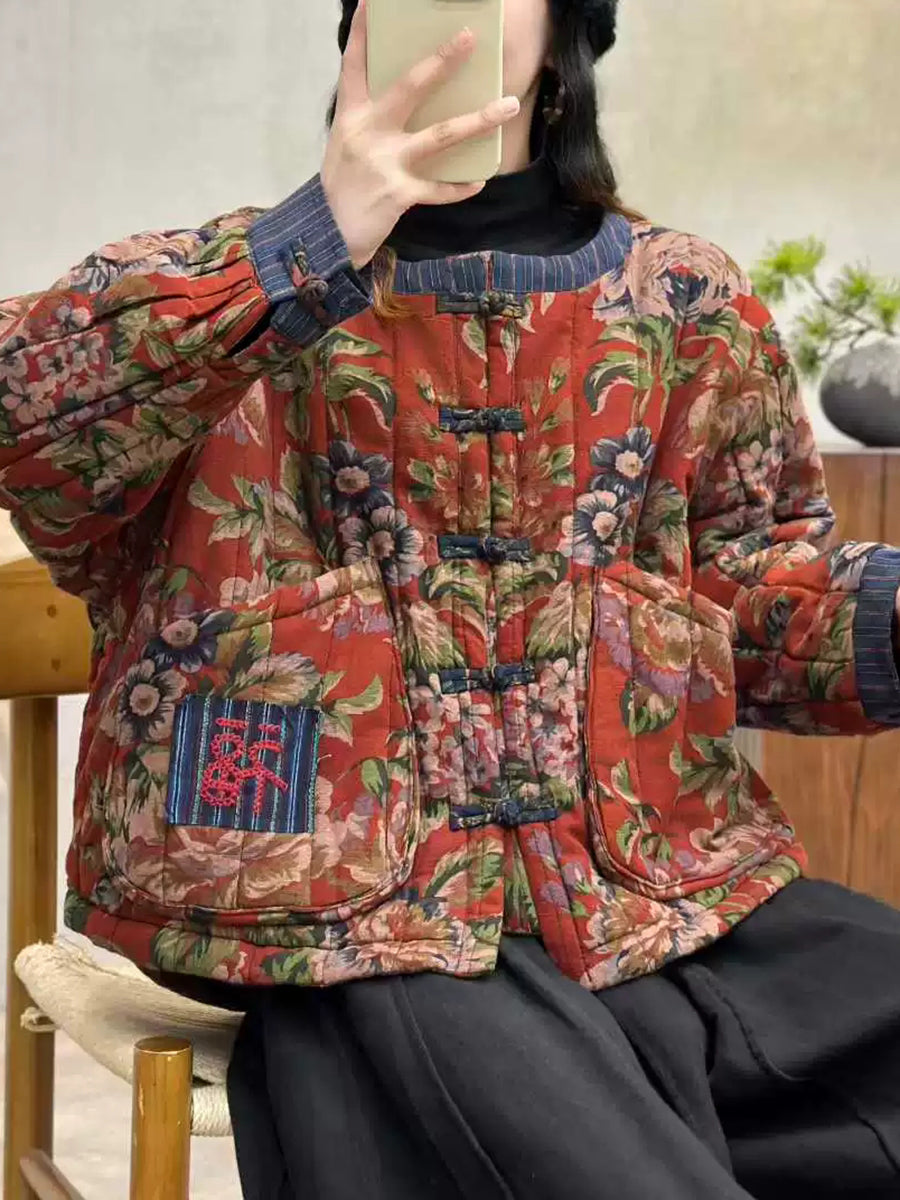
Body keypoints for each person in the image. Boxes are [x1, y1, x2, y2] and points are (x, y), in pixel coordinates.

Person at [2, 0, 900, 1195]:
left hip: (659, 898)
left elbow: (752, 600)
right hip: (336, 917)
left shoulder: (687, 304)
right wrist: (309, 243)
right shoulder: (228, 292)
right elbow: (28, 425)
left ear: (565, 39)